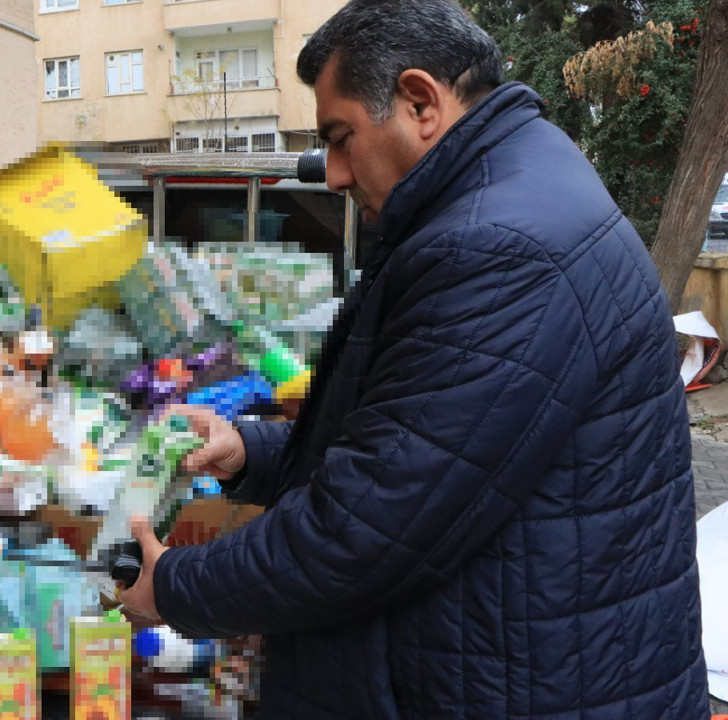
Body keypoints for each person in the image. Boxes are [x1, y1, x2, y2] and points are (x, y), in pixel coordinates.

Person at [118, 1, 709, 717]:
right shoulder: (506, 192)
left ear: (421, 102)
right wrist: (252, 452)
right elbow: (419, 443)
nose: (332, 175)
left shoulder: (498, 247)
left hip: (521, 684)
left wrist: (178, 586)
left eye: (340, 138)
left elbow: (365, 526)